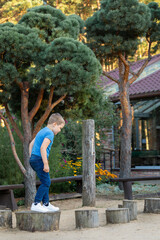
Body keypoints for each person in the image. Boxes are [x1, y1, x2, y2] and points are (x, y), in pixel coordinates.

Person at [29, 113, 65, 212]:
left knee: (45, 181)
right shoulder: (50, 133)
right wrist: (46, 163)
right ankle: (36, 203)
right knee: (46, 182)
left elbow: (31, 144)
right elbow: (43, 148)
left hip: (34, 159)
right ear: (55, 124)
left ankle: (46, 204)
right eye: (60, 127)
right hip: (40, 160)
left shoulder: (42, 131)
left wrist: (31, 156)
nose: (60, 130)